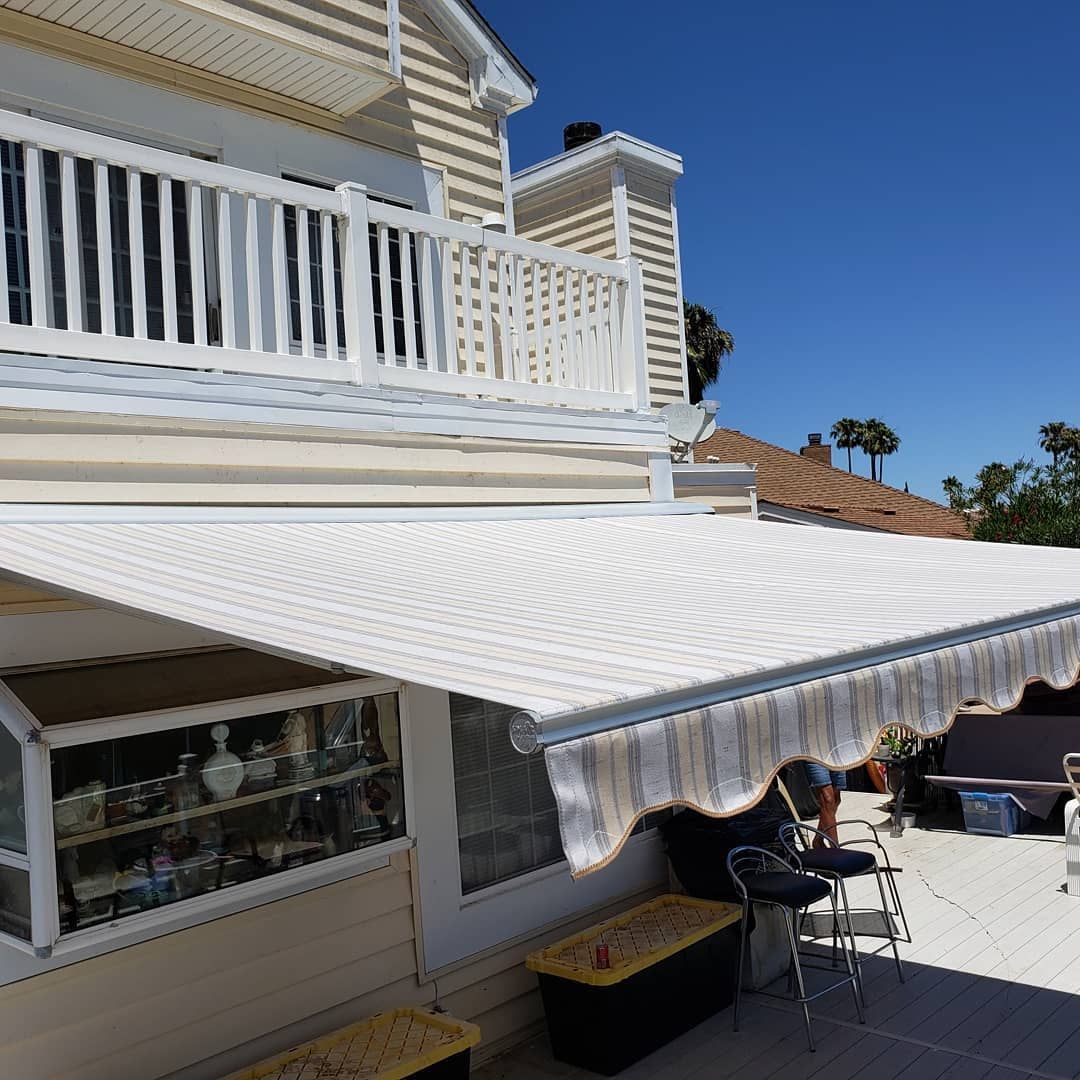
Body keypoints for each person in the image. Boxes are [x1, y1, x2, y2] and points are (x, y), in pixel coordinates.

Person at [804, 763, 846, 846]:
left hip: (835, 754)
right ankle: (836, 849)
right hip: (813, 756)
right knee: (828, 800)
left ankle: (818, 840)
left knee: (836, 800)